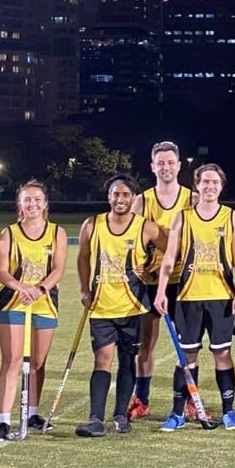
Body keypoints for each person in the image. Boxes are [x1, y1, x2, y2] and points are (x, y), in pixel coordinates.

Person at [154, 164, 235, 431]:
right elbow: (170, 258)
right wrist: (161, 290)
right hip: (188, 297)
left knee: (223, 354)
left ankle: (229, 412)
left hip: (222, 297)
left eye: (214, 182)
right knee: (187, 356)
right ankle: (177, 413)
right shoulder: (183, 218)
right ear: (197, 185)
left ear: (221, 185)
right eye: (205, 182)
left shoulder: (232, 218)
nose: (209, 187)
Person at [74, 176, 161, 437]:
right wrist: (83, 288)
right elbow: (83, 257)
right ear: (109, 197)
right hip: (101, 306)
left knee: (128, 360)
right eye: (115, 194)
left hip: (132, 307)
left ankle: (121, 415)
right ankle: (95, 418)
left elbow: (172, 248)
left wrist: (153, 268)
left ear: (134, 198)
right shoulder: (92, 225)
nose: (120, 199)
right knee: (102, 359)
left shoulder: (145, 227)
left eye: (125, 195)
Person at [0, 180, 67, 440]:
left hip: (44, 302)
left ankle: (32, 412)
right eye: (27, 199)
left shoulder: (56, 232)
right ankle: (3, 419)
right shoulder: (9, 233)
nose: (32, 204)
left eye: (37, 199)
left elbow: (58, 269)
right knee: (12, 361)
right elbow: (1, 272)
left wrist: (40, 289)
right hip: (14, 302)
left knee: (37, 362)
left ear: (45, 203)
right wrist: (21, 287)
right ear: (20, 204)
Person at [131, 141, 192, 419]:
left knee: (188, 345)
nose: (166, 167)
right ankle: (141, 400)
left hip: (183, 281)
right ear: (153, 166)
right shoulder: (142, 201)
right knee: (145, 345)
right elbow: (131, 240)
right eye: (161, 163)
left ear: (179, 166)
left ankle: (190, 399)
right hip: (150, 282)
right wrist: (137, 266)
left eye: (171, 162)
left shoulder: (191, 199)